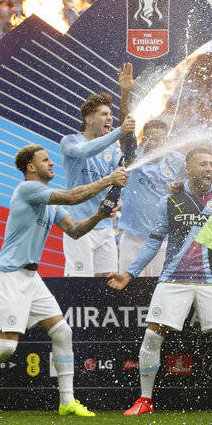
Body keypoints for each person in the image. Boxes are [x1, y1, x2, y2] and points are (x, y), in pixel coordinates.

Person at [0, 144, 129, 419]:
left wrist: (99, 215)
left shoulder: (48, 201)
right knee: (7, 346)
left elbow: (75, 230)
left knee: (62, 333)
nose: (52, 164)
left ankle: (67, 401)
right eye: (45, 160)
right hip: (8, 275)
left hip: (30, 277)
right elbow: (71, 197)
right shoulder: (27, 189)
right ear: (31, 168)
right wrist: (109, 179)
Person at [107, 147, 212, 415]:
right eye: (203, 164)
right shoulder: (170, 200)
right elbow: (154, 242)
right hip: (174, 279)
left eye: (211, 164)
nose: (209, 169)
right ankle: (145, 400)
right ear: (188, 169)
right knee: (152, 335)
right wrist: (129, 273)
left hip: (210, 279)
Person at [59, 66, 135, 276]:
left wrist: (125, 94)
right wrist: (120, 131)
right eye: (104, 114)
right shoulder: (70, 142)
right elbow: (87, 151)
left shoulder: (112, 148)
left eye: (111, 114)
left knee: (106, 280)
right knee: (80, 282)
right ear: (89, 119)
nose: (110, 118)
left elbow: (116, 180)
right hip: (78, 224)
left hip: (103, 226)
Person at [118, 120, 184, 277]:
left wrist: (180, 188)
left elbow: (192, 187)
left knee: (157, 289)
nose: (151, 143)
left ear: (166, 141)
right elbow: (125, 135)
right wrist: (126, 96)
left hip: (162, 239)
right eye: (146, 138)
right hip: (132, 237)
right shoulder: (133, 157)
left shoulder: (178, 160)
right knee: (128, 290)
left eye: (156, 139)